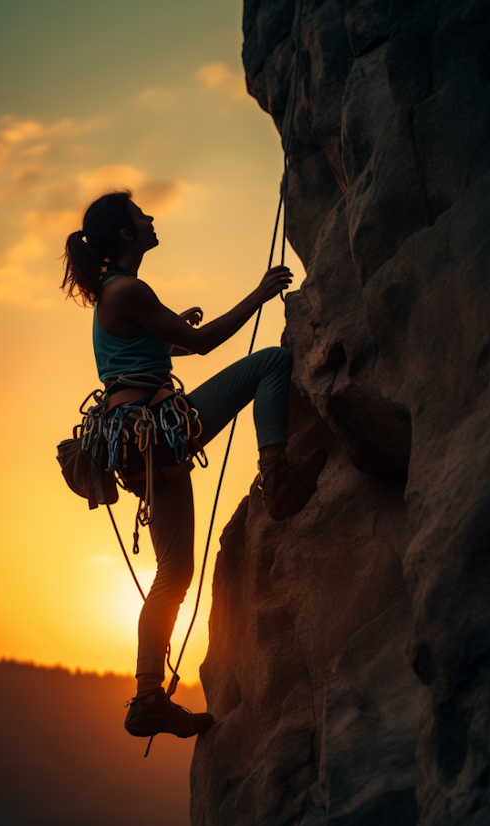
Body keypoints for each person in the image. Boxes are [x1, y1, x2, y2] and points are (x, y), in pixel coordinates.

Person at [62, 191, 326, 740]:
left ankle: (146, 698)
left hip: (137, 449)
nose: (151, 218)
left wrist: (170, 330)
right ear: (127, 236)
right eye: (141, 216)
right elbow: (203, 344)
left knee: (174, 575)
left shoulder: (116, 293)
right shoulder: (128, 289)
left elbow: (148, 352)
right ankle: (275, 473)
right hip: (157, 431)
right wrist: (259, 294)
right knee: (273, 363)